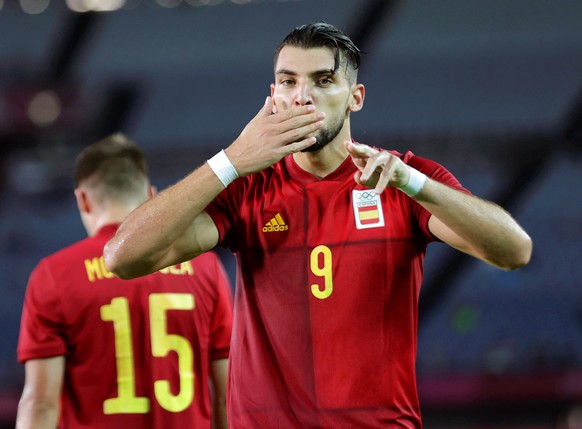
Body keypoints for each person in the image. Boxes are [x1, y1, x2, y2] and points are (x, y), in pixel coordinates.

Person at [104, 22, 533, 428]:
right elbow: (123, 258)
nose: (303, 96)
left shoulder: (399, 178)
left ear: (356, 97)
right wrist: (229, 161)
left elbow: (514, 251)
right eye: (288, 81)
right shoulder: (245, 189)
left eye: (324, 81)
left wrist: (414, 182)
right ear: (273, 95)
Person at [16, 134, 233, 429]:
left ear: (82, 199)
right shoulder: (206, 268)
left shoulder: (53, 275)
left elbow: (41, 403)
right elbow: (227, 393)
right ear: (152, 194)